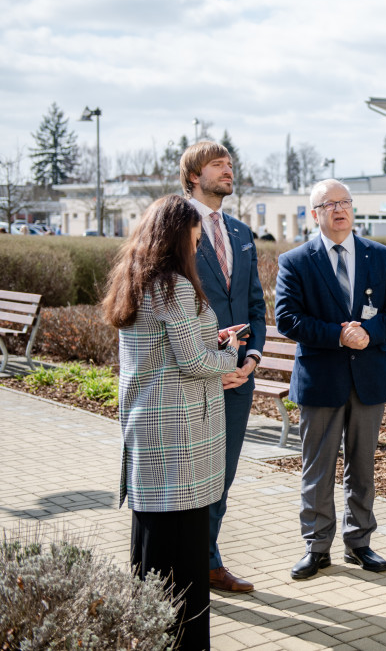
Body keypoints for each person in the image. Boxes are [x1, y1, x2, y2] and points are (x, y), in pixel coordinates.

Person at [103, 194, 243, 650]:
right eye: (196, 237)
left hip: (148, 428)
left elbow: (167, 347)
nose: (198, 245)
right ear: (179, 237)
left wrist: (209, 338)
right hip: (182, 436)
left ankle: (147, 638)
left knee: (151, 550)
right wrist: (229, 353)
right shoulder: (176, 287)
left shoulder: (135, 280)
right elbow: (193, 361)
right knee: (182, 557)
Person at [274, 179, 386, 580]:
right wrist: (338, 333)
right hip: (321, 380)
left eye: (345, 202)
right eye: (329, 204)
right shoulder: (295, 261)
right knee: (317, 468)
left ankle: (360, 543)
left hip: (369, 376)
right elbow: (287, 319)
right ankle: (316, 547)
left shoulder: (382, 257)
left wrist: (370, 333)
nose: (339, 209)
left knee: (362, 465)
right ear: (314, 214)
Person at [180, 141, 268, 593]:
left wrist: (251, 360)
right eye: (218, 164)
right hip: (193, 376)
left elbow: (255, 304)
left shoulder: (239, 232)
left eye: (231, 163)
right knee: (190, 473)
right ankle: (186, 563)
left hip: (238, 379)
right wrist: (215, 365)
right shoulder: (175, 227)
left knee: (223, 474)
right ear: (195, 175)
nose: (228, 170)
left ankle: (208, 560)